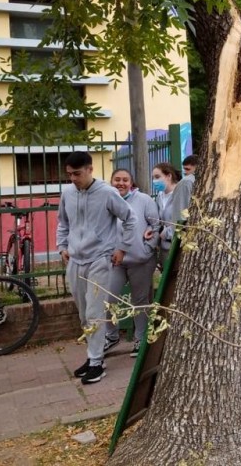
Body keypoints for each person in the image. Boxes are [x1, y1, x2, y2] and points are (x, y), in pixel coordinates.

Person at [57, 151, 136, 385]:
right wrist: (62, 245)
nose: (73, 178)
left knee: (94, 312)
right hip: (74, 260)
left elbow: (130, 219)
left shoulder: (107, 193)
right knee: (83, 313)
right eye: (69, 174)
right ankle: (93, 356)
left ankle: (96, 361)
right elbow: (63, 222)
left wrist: (122, 248)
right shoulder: (67, 192)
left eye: (77, 174)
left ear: (90, 170)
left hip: (100, 259)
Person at [104, 169, 160, 358]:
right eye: (117, 179)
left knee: (140, 301)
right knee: (108, 298)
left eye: (125, 180)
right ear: (110, 181)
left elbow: (156, 224)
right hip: (115, 262)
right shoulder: (106, 200)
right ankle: (111, 336)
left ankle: (140, 338)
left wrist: (149, 247)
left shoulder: (144, 200)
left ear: (131, 182)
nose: (121, 183)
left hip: (140, 261)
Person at [152, 162, 180, 268]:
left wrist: (166, 233)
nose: (154, 181)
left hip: (177, 249)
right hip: (164, 249)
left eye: (157, 177)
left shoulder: (180, 194)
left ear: (169, 176)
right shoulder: (160, 196)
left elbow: (182, 222)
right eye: (153, 178)